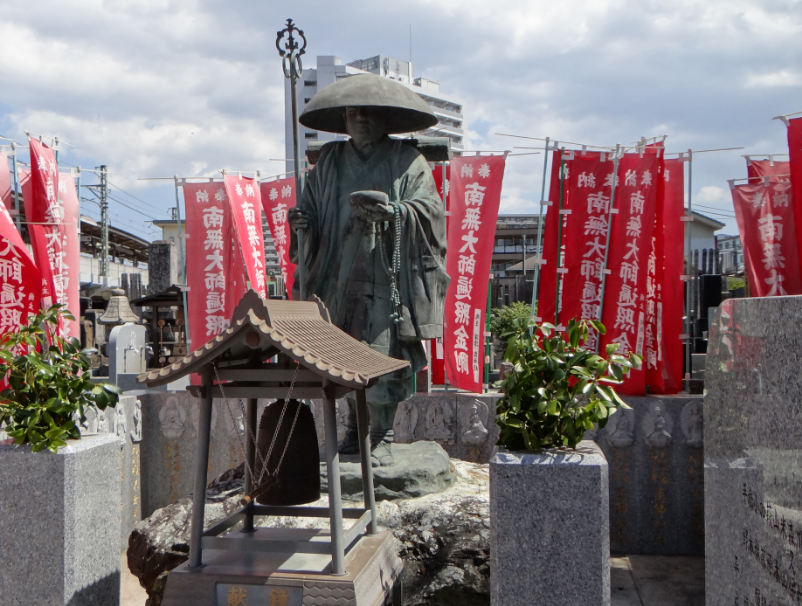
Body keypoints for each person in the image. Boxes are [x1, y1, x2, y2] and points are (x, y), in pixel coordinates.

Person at [289, 74, 449, 466]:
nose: (361, 118)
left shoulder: (405, 160)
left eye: (369, 112)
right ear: (343, 119)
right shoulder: (330, 160)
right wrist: (302, 222)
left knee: (382, 353)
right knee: (338, 353)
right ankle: (350, 432)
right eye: (353, 112)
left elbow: (430, 210)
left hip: (386, 273)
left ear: (386, 118)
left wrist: (396, 212)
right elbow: (310, 205)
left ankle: (383, 434)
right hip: (337, 271)